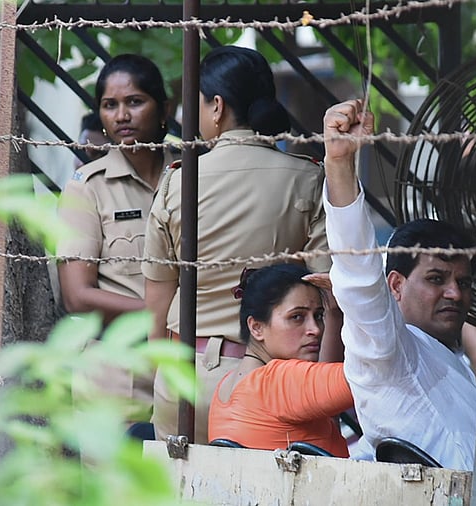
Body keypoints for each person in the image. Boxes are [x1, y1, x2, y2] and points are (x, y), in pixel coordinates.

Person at [142, 46, 332, 444]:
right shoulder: (306, 178)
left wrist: (158, 375)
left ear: (216, 106)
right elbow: (325, 286)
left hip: (186, 372)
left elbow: (158, 298)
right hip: (271, 377)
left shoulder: (179, 180)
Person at [321, 99, 476, 470]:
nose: (455, 293)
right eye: (436, 279)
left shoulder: (455, 363)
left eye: (463, 281)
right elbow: (359, 279)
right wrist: (340, 166)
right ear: (395, 285)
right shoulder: (388, 349)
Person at [56, 54, 175, 422]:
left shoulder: (193, 177)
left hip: (189, 367)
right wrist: (168, 316)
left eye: (135, 102)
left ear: (162, 109)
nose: (121, 115)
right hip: (117, 371)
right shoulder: (87, 188)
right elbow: (77, 295)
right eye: (110, 105)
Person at [207, 264, 352, 456]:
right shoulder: (277, 381)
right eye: (297, 317)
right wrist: (362, 300)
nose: (315, 329)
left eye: (318, 316)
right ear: (256, 327)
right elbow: (372, 377)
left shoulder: (227, 384)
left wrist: (334, 312)